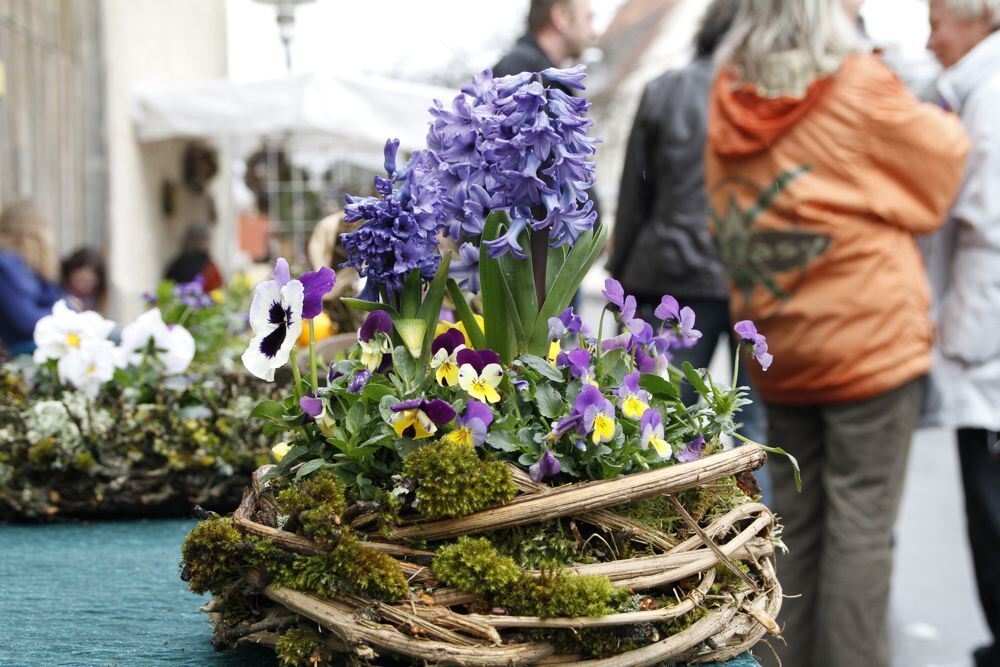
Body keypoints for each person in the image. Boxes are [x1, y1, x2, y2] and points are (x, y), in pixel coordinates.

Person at [704, 1, 970, 665]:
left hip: (779, 342)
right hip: (867, 347)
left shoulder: (730, 92)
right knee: (862, 530)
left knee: (795, 531)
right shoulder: (857, 83)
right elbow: (943, 166)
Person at [608, 0, 768, 469]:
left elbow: (634, 196)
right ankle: (759, 539)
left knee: (662, 424)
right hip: (747, 281)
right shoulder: (767, 101)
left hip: (667, 279)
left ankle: (665, 534)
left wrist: (621, 284)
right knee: (752, 434)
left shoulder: (663, 91)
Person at [925, 2, 1000, 665]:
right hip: (985, 342)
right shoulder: (977, 87)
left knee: (991, 508)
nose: (928, 36)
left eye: (937, 18)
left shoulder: (990, 92)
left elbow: (988, 230)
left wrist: (959, 337)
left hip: (988, 350)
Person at [0, 201, 63, 356]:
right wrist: (66, 309)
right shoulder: (6, 265)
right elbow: (26, 322)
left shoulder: (34, 266)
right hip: (22, 350)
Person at [492, 0, 596, 90]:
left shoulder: (550, 75)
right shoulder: (519, 64)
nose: (594, 33)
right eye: (588, 18)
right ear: (562, 16)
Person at [165, 224, 223, 292]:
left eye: (206, 240)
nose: (204, 243)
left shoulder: (210, 265)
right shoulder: (180, 264)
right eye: (200, 240)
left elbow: (218, 288)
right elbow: (169, 284)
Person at [61, 247, 107, 313]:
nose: (83, 285)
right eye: (80, 278)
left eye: (89, 282)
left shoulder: (92, 297)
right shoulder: (55, 285)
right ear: (71, 271)